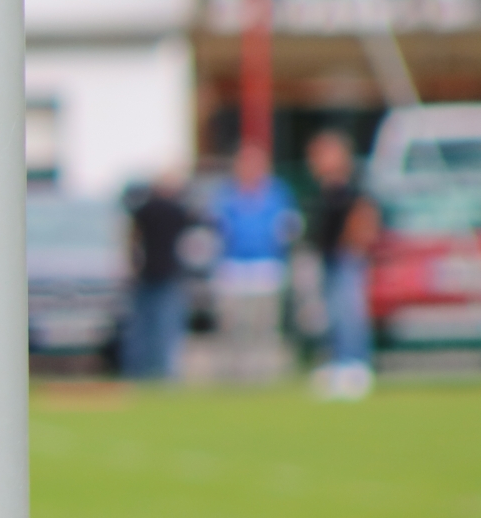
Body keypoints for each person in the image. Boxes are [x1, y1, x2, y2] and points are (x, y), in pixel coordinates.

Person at [210, 142, 301, 381]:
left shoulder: (276, 193)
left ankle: (264, 371)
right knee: (234, 323)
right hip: (234, 265)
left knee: (264, 323)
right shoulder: (227, 193)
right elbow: (217, 227)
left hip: (266, 265)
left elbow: (289, 226)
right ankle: (234, 372)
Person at [305, 130, 380, 399]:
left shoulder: (353, 187)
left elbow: (365, 219)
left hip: (346, 258)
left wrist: (354, 245)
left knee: (349, 313)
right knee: (334, 315)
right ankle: (340, 363)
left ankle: (355, 365)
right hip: (328, 259)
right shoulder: (324, 190)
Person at [121, 171, 194, 379]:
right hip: (168, 276)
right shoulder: (177, 211)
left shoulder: (144, 210)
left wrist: (133, 267)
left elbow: (132, 239)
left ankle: (139, 372)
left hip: (147, 275)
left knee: (143, 330)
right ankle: (164, 373)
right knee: (166, 330)